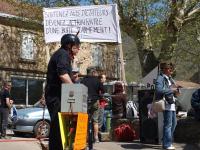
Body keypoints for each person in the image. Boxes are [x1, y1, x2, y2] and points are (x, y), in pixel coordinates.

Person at [45, 34, 81, 150]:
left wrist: (73, 78)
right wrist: (74, 91)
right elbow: (63, 75)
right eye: (77, 46)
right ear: (69, 45)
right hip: (56, 96)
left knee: (60, 126)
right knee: (57, 125)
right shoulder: (63, 54)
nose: (79, 49)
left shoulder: (64, 55)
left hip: (57, 95)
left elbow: (65, 75)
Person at [155, 62, 180, 150]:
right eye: (170, 69)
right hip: (166, 104)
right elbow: (158, 90)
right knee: (168, 125)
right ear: (165, 69)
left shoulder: (170, 78)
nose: (171, 70)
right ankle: (166, 144)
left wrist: (176, 91)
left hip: (171, 104)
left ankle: (165, 140)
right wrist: (171, 90)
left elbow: (173, 89)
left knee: (174, 124)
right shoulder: (160, 78)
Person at [81, 67, 104, 143]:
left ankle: (85, 137)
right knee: (95, 120)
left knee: (85, 120)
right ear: (93, 72)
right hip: (95, 101)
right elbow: (102, 90)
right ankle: (96, 138)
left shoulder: (83, 80)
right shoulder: (97, 80)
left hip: (85, 102)